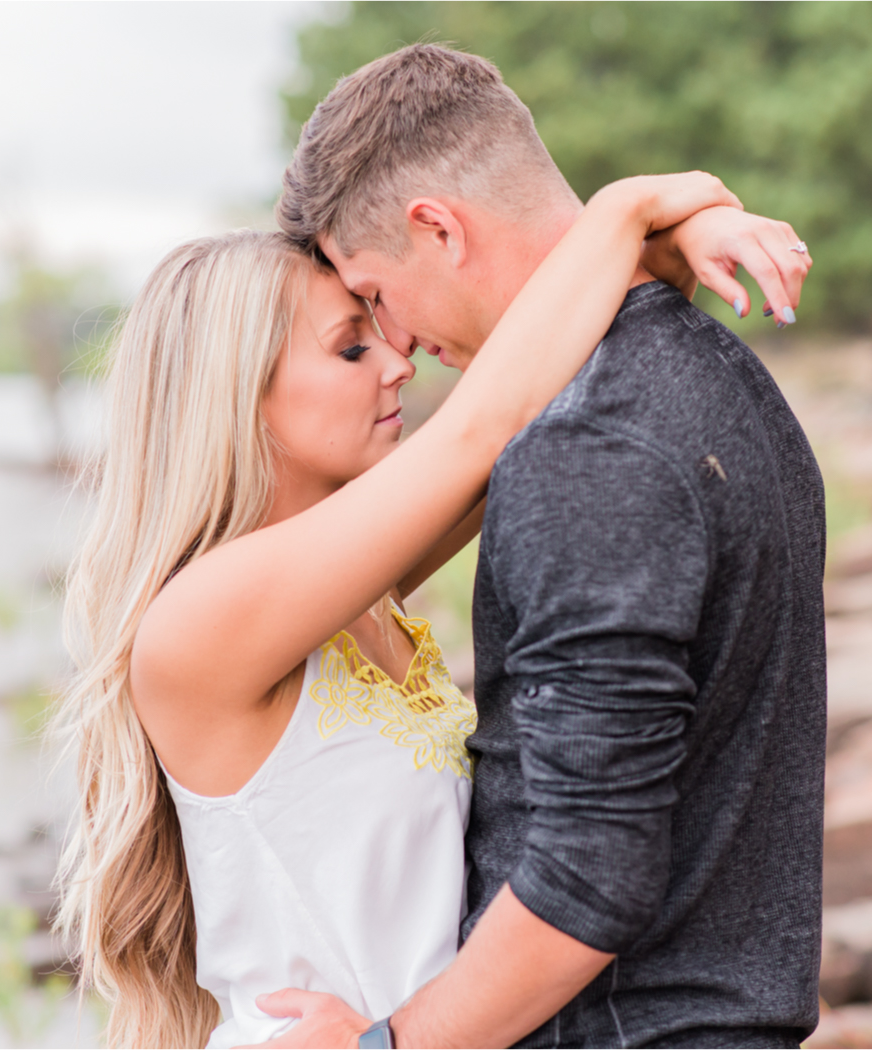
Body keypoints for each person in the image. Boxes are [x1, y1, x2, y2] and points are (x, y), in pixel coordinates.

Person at [52, 163, 807, 1047]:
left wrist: (672, 249)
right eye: (350, 348)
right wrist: (627, 207)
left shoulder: (359, 598)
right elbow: (489, 422)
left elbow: (539, 394)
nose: (399, 362)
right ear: (238, 397)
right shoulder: (204, 620)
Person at [259, 44, 828, 1049]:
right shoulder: (717, 375)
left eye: (375, 295)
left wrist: (383, 1046)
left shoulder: (585, 447)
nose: (397, 346)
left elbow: (589, 877)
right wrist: (654, 228)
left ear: (438, 228)